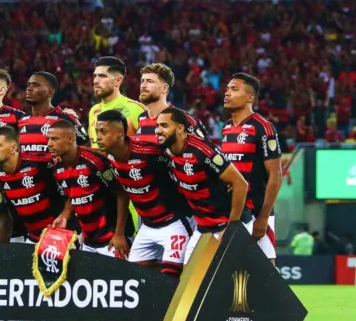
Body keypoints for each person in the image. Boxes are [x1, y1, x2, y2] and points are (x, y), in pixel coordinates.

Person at [95, 110, 195, 276]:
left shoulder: (149, 152)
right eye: (97, 131)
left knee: (171, 277)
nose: (98, 136)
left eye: (103, 132)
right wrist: (119, 233)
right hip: (147, 226)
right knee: (134, 278)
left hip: (175, 222)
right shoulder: (109, 158)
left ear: (120, 133)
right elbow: (123, 193)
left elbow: (182, 161)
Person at [156, 107, 249, 265]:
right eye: (157, 126)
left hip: (226, 225)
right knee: (190, 281)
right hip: (203, 228)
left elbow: (240, 183)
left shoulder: (202, 150)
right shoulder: (164, 151)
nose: (158, 130)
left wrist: (232, 228)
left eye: (164, 126)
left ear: (180, 129)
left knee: (233, 282)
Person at [222, 72, 282, 265]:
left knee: (268, 272)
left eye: (234, 89)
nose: (227, 93)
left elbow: (275, 175)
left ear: (250, 97)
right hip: (232, 211)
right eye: (228, 88)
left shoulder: (263, 127)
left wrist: (263, 217)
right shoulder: (226, 127)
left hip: (256, 212)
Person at [47, 120, 131, 257]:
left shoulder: (95, 161)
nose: (49, 143)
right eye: (48, 139)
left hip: (111, 238)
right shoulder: (56, 167)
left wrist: (119, 234)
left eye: (54, 139)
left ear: (70, 139)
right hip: (87, 241)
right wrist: (65, 215)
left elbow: (122, 194)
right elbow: (73, 193)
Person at [0, 126, 68, 244]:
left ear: (13, 148)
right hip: (32, 236)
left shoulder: (39, 164)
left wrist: (65, 216)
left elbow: (70, 191)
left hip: (59, 233)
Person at [18, 72, 88, 160]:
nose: (29, 88)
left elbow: (85, 147)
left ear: (50, 92)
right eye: (28, 85)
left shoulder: (66, 118)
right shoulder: (20, 120)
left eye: (36, 85)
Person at [134, 63, 206, 143]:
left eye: (149, 81)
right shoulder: (141, 117)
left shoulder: (181, 118)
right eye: (142, 81)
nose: (143, 86)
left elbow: (203, 149)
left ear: (164, 88)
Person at [88, 56, 146, 148]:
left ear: (117, 81)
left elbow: (150, 150)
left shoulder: (136, 109)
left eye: (102, 76)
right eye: (95, 76)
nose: (96, 81)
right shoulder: (94, 110)